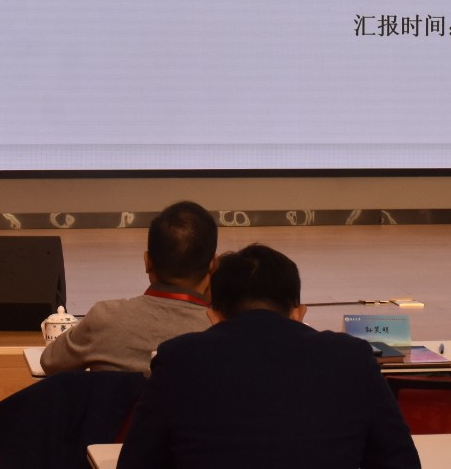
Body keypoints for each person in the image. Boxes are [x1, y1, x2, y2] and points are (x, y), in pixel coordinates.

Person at [116, 243, 420, 469]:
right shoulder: (352, 357)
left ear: (213, 316)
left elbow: (136, 462)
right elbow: (400, 460)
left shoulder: (177, 359)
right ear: (299, 313)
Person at [41, 201, 219, 375]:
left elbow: (50, 362)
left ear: (147, 262)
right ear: (213, 265)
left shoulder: (105, 318)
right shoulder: (220, 332)